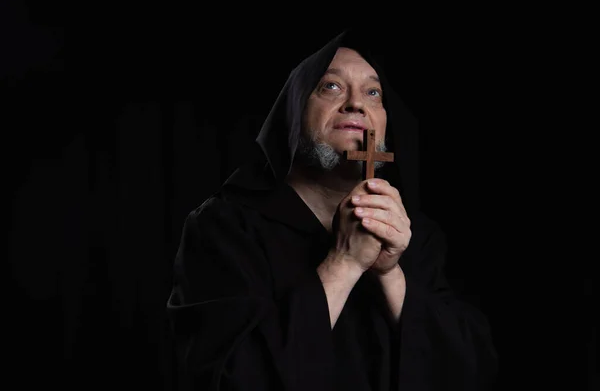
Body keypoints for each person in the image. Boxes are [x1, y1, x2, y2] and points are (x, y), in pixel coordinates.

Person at [166, 29, 498, 390]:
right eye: (331, 87)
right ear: (293, 111)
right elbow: (228, 379)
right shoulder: (225, 226)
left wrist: (390, 275)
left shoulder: (414, 233)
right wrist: (345, 263)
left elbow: (472, 370)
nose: (357, 104)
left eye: (373, 92)